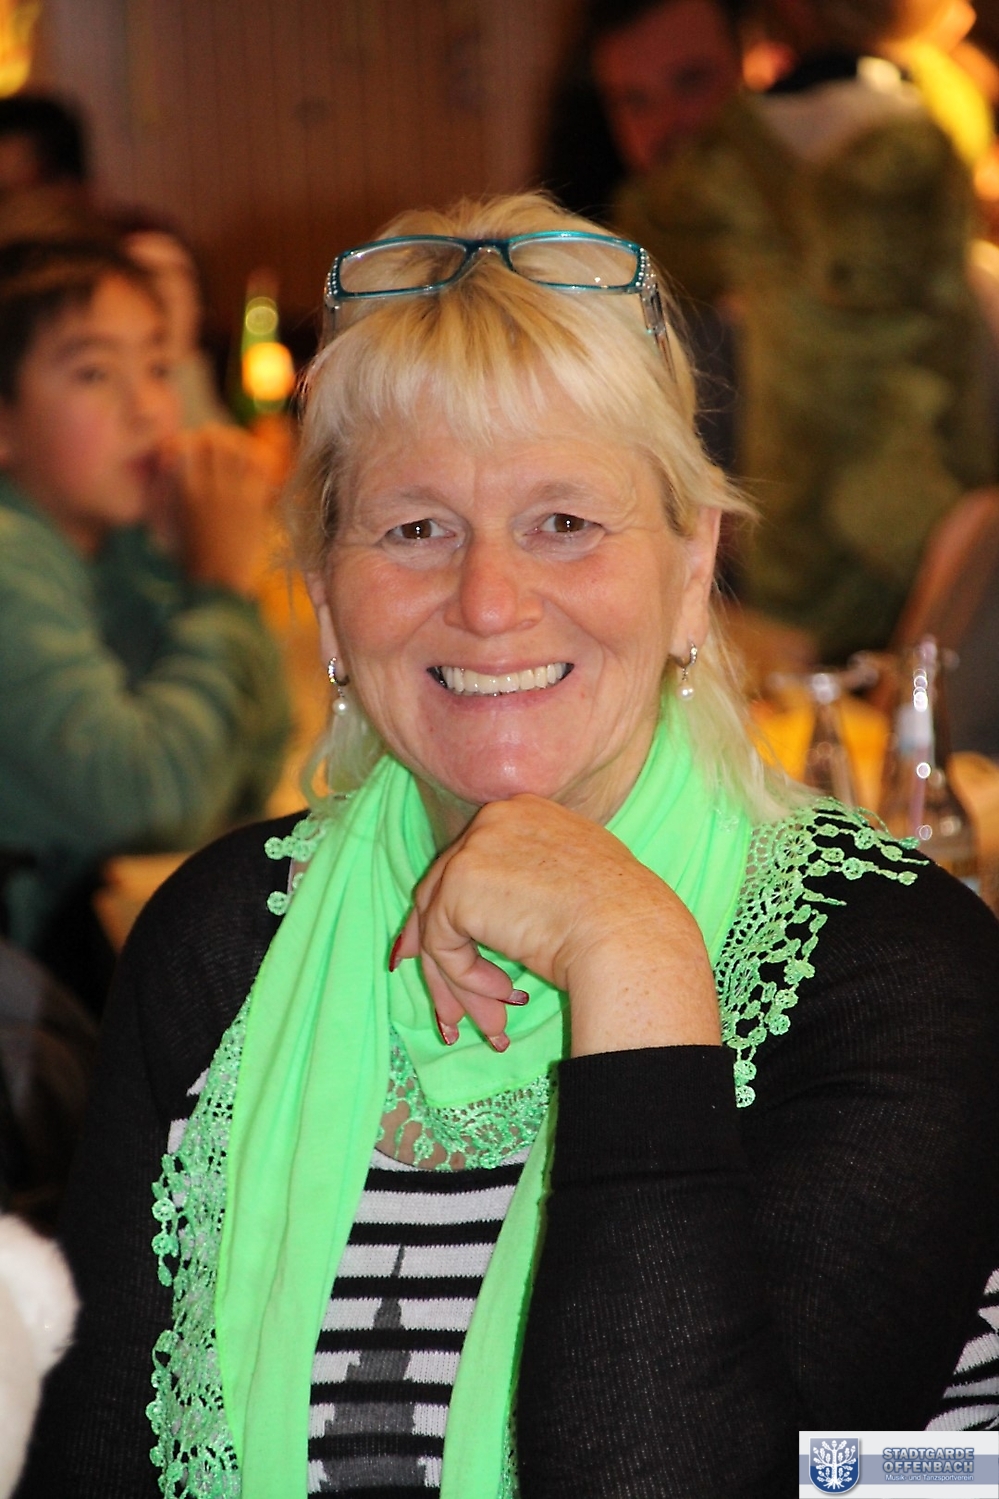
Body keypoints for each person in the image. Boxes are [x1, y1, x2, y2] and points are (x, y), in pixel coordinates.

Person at [17, 195, 999, 1498]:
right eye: (414, 527)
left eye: (563, 522)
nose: (487, 602)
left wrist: (632, 955)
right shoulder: (216, 943)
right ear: (325, 593)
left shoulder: (894, 972)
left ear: (691, 568)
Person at [615, 0, 998, 664]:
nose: (668, 126)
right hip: (744, 657)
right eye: (632, 101)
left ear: (760, 60)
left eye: (692, 82)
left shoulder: (963, 282)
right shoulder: (631, 293)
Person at [0, 239, 290, 996]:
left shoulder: (107, 549)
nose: (148, 409)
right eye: (95, 373)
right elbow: (150, 803)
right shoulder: (9, 560)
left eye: (158, 367)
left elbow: (251, 761)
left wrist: (180, 569)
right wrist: (218, 586)